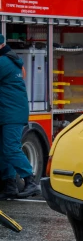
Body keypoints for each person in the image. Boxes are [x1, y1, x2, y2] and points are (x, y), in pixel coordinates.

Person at [0, 34, 40, 200]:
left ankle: (30, 181)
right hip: (10, 112)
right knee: (5, 150)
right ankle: (9, 185)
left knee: (10, 148)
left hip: (11, 113)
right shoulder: (11, 60)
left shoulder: (3, 62)